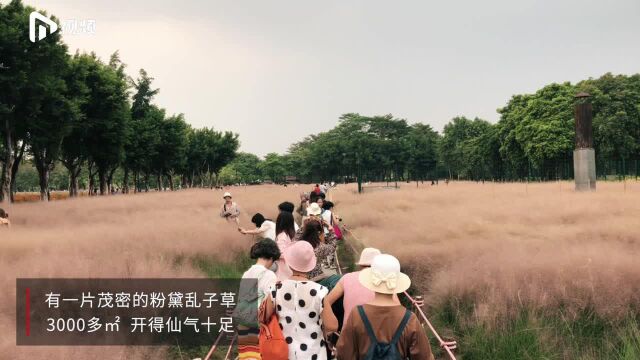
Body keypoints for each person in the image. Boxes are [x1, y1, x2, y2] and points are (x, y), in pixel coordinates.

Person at [335, 254, 434, 360]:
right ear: (396, 283)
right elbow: (425, 357)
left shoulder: (356, 315)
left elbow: (343, 353)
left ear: (372, 281)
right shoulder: (410, 319)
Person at [263, 241, 330, 360]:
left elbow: (263, 317)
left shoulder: (275, 289)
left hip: (283, 352)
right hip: (315, 354)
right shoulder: (320, 291)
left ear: (289, 262)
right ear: (311, 264)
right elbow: (332, 325)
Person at [234, 239, 280, 360]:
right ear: (271, 258)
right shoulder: (269, 275)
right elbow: (271, 302)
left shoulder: (247, 273)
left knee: (247, 356)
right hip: (258, 326)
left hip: (243, 324)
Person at [323, 248, 381, 332]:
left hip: (348, 336)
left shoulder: (347, 278)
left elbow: (326, 302)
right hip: (377, 336)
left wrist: (332, 325)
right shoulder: (385, 282)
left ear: (361, 265)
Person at [274, 211, 296, 280]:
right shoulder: (284, 235)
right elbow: (281, 253)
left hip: (285, 267)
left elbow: (281, 252)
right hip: (284, 267)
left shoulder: (284, 235)